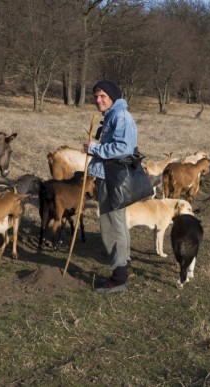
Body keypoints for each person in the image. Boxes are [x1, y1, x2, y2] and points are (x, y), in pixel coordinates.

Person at [83, 80, 137, 293]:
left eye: (103, 96)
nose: (98, 100)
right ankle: (122, 266)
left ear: (113, 97)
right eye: (96, 96)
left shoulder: (120, 116)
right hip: (110, 175)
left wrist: (95, 148)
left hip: (113, 178)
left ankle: (119, 278)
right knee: (118, 223)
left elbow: (124, 147)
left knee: (112, 226)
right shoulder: (114, 115)